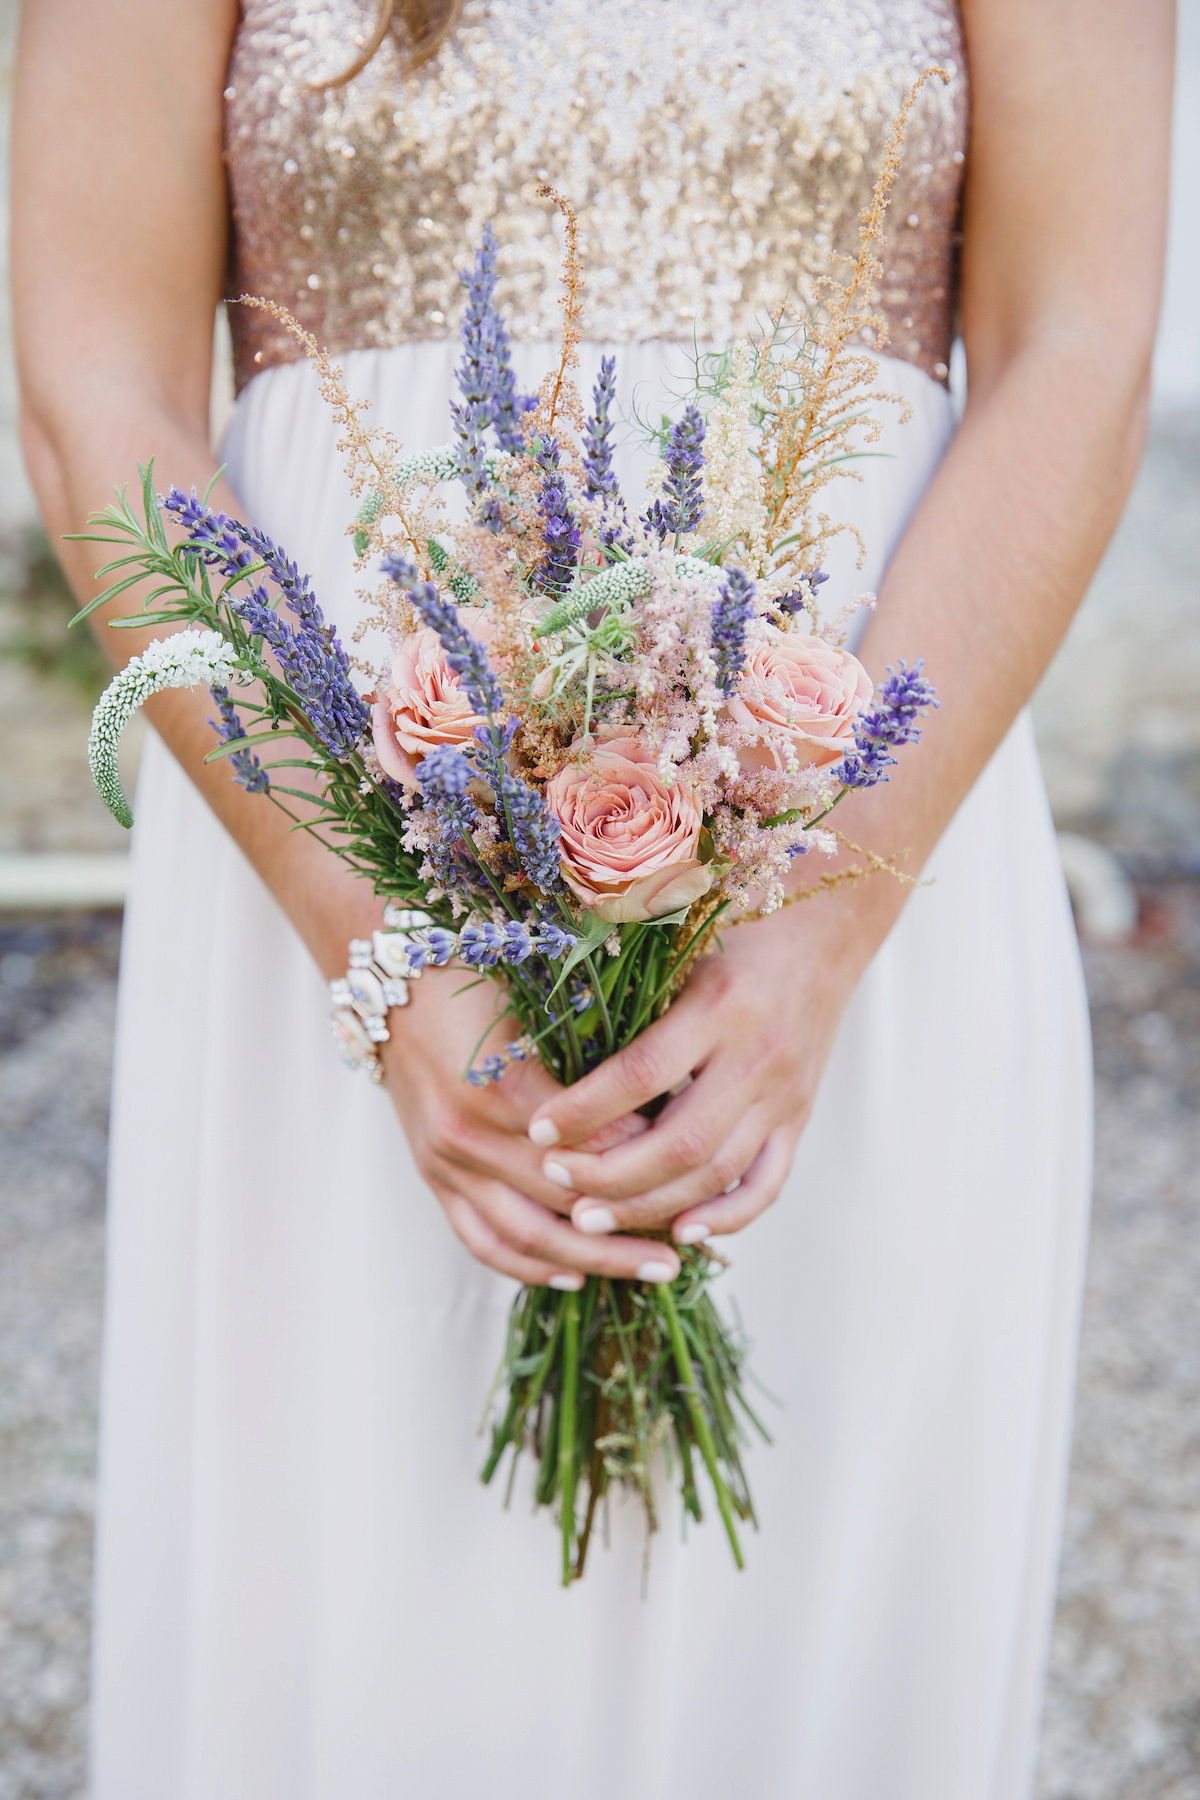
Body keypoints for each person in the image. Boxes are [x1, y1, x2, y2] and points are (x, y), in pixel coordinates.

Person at [11, 1, 1172, 1795]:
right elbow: (99, 375)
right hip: (319, 838)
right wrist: (378, 943)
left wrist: (820, 924)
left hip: (866, 849)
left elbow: (1076, 337)